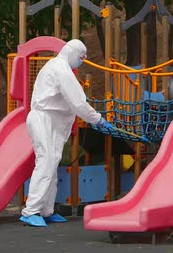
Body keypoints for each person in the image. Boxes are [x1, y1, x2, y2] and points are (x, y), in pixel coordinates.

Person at [20, 39, 112, 227]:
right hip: (43, 120)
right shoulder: (61, 70)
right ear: (72, 53)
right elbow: (78, 103)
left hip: (50, 121)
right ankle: (30, 211)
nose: (81, 61)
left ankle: (46, 210)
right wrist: (97, 119)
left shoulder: (56, 66)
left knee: (51, 164)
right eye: (80, 57)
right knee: (46, 162)